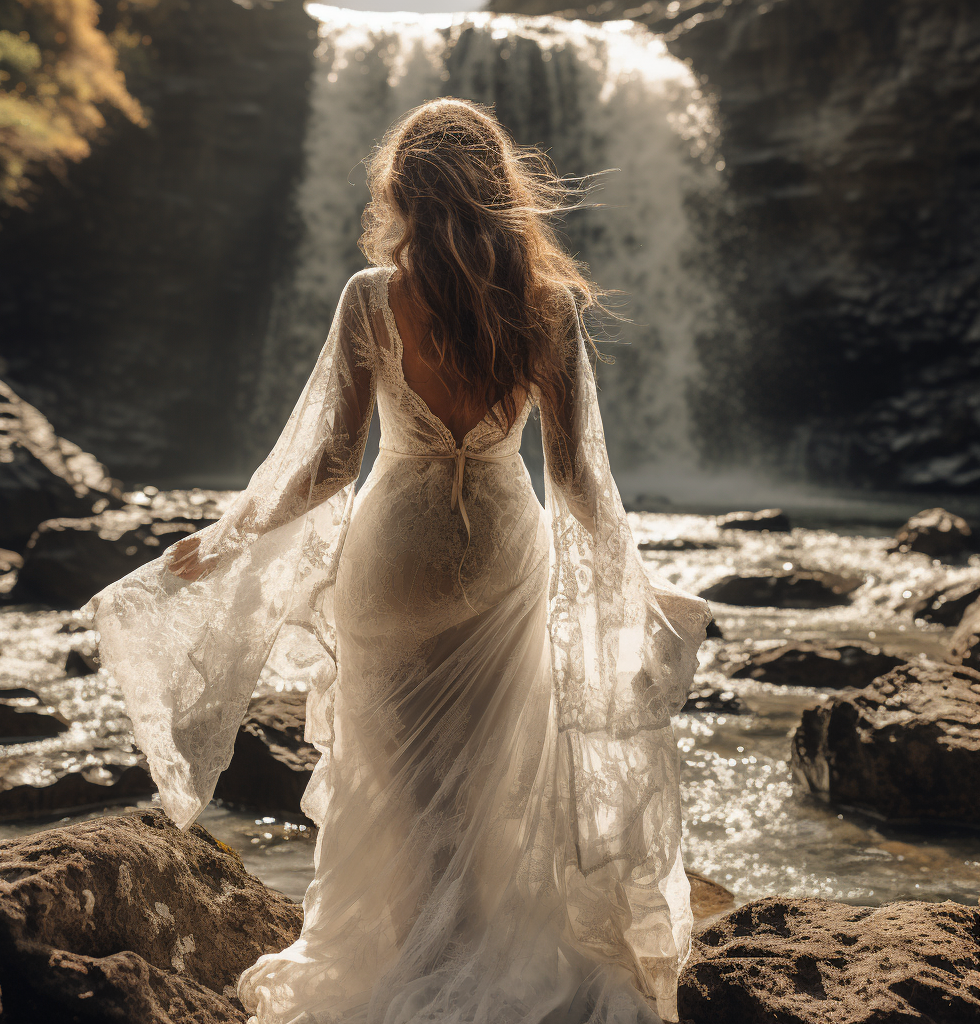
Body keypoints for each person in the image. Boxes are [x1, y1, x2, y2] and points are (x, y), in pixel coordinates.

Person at [88, 97, 710, 1024]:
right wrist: (629, 582)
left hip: (395, 557)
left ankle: (412, 974)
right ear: (502, 190)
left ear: (402, 193)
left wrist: (232, 534)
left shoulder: (373, 297)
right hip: (503, 553)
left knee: (403, 785)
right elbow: (580, 481)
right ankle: (472, 964)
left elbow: (334, 463)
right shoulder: (548, 307)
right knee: (492, 778)